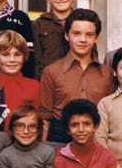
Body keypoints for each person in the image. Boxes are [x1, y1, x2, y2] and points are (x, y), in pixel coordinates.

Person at [39, 8, 114, 144]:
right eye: (77, 34)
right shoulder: (51, 71)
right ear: (67, 35)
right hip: (59, 136)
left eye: (89, 35)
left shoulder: (107, 73)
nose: (82, 40)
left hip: (97, 136)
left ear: (96, 38)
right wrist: (42, 150)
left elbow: (111, 115)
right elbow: (45, 117)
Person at [0, 30, 40, 133]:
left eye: (17, 54)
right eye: (5, 54)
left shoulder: (34, 86)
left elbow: (38, 122)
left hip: (24, 140)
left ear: (24, 57)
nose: (12, 60)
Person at [32, 0, 78, 80]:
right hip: (50, 80)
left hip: (77, 79)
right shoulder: (39, 24)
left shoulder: (83, 21)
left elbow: (92, 55)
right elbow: (37, 60)